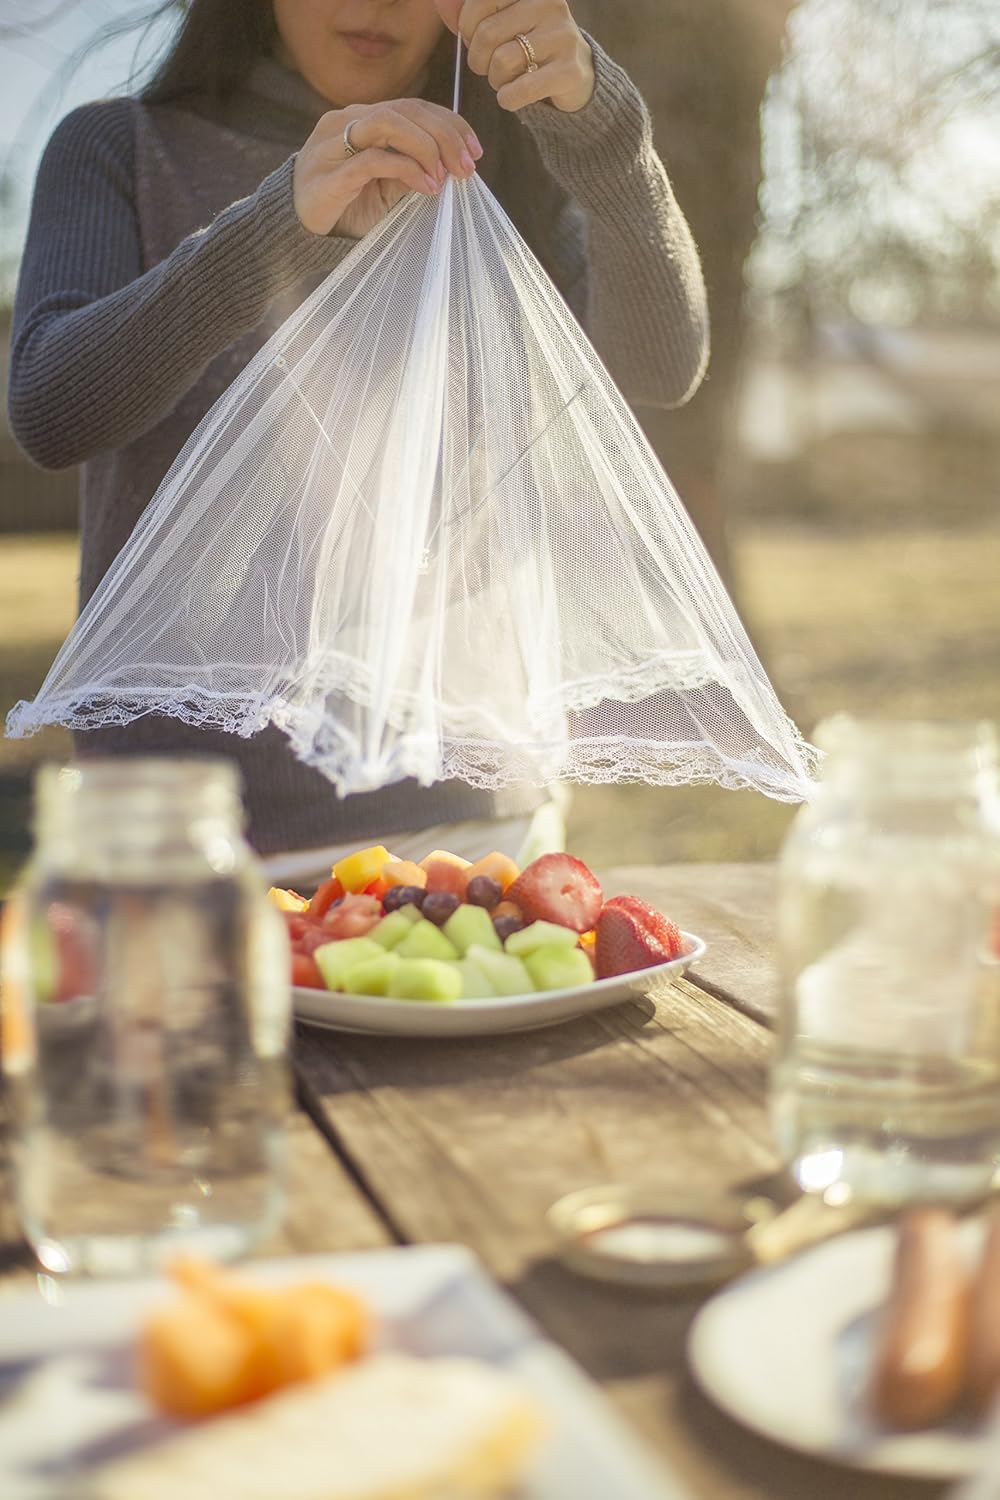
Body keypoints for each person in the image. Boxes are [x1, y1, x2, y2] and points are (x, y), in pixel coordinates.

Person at [8, 0, 709, 885]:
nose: (374, 4)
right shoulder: (122, 147)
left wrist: (601, 127)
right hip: (180, 842)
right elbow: (51, 406)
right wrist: (279, 228)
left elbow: (660, 368)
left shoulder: (500, 169)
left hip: (470, 834)